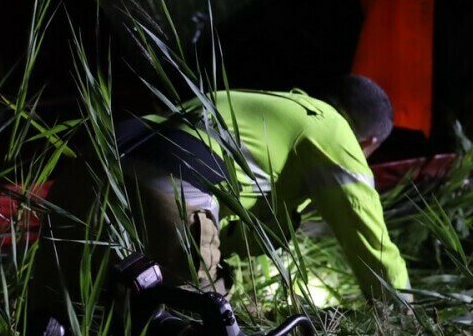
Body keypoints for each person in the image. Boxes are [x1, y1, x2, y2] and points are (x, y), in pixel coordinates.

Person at [116, 77, 411, 307]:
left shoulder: (277, 110)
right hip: (179, 178)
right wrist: (403, 313)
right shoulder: (333, 129)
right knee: (206, 321)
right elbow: (372, 241)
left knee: (99, 304)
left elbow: (245, 230)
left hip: (110, 159)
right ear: (369, 142)